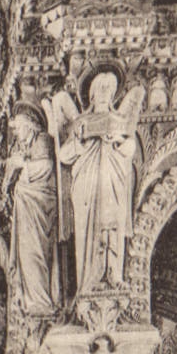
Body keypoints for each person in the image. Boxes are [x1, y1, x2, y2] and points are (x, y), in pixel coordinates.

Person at [58, 71, 141, 291]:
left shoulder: (119, 121)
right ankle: (90, 278)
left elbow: (130, 148)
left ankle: (113, 274)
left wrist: (119, 139)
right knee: (89, 229)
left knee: (112, 225)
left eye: (108, 88)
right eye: (100, 87)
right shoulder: (81, 122)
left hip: (113, 182)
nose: (105, 92)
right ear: (92, 94)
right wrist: (79, 143)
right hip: (88, 185)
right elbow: (63, 155)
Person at [3, 104, 58, 315]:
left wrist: (22, 166)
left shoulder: (41, 140)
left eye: (17, 128)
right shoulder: (25, 146)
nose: (15, 133)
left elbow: (47, 167)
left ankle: (40, 300)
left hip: (39, 206)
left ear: (29, 125)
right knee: (28, 253)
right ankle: (33, 300)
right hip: (28, 209)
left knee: (34, 252)